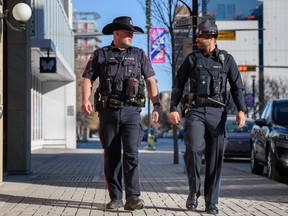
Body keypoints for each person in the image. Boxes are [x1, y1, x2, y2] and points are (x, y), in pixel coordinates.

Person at [81, 16, 160, 211]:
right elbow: (87, 79)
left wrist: (156, 105)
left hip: (132, 112)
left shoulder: (140, 55)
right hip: (108, 112)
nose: (131, 35)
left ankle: (133, 197)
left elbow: (150, 81)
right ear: (116, 33)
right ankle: (115, 198)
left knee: (132, 154)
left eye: (132, 32)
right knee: (112, 155)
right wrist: (85, 99)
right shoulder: (101, 54)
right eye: (127, 31)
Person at [169, 20, 246, 214]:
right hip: (195, 111)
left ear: (211, 37)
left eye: (200, 36)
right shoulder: (192, 59)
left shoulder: (226, 59)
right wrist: (174, 107)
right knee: (193, 149)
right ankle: (194, 191)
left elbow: (237, 87)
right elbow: (178, 83)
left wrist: (241, 110)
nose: (197, 40)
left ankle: (211, 202)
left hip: (218, 113)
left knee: (215, 158)